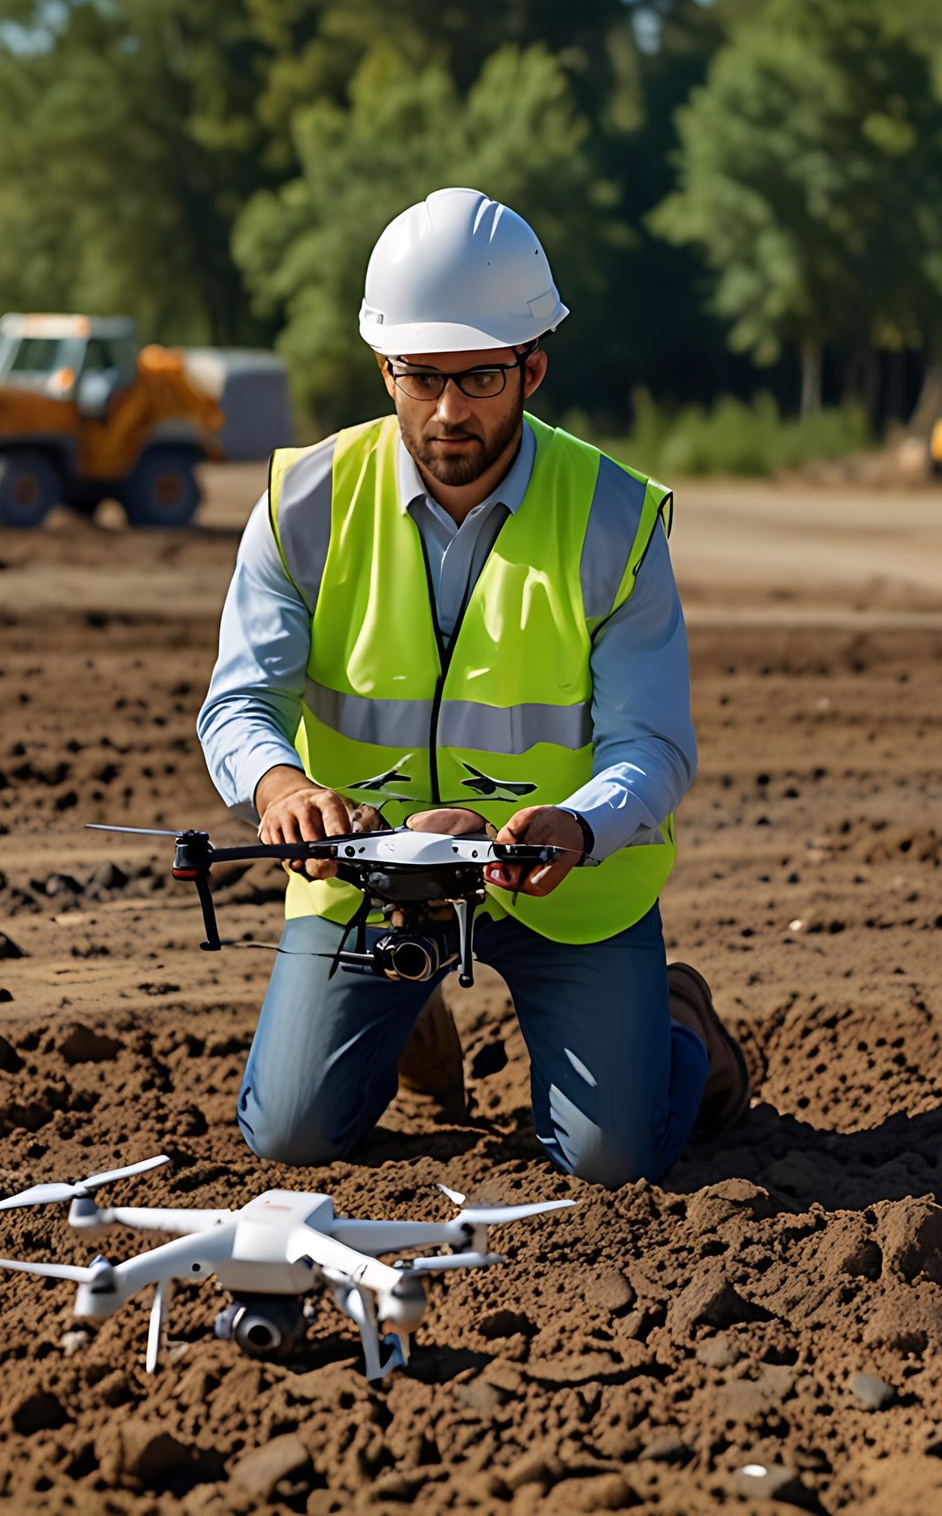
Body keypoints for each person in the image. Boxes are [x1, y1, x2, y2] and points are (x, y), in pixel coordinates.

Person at [197, 187, 749, 1186]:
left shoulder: (613, 518)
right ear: (384, 367)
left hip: (566, 889)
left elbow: (653, 743)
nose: (450, 410)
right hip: (371, 881)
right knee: (291, 1133)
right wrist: (280, 788)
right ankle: (405, 1008)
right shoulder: (303, 505)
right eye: (421, 376)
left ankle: (678, 1026)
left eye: (482, 376)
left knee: (611, 1158)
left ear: (533, 367)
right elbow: (239, 703)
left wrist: (579, 824)